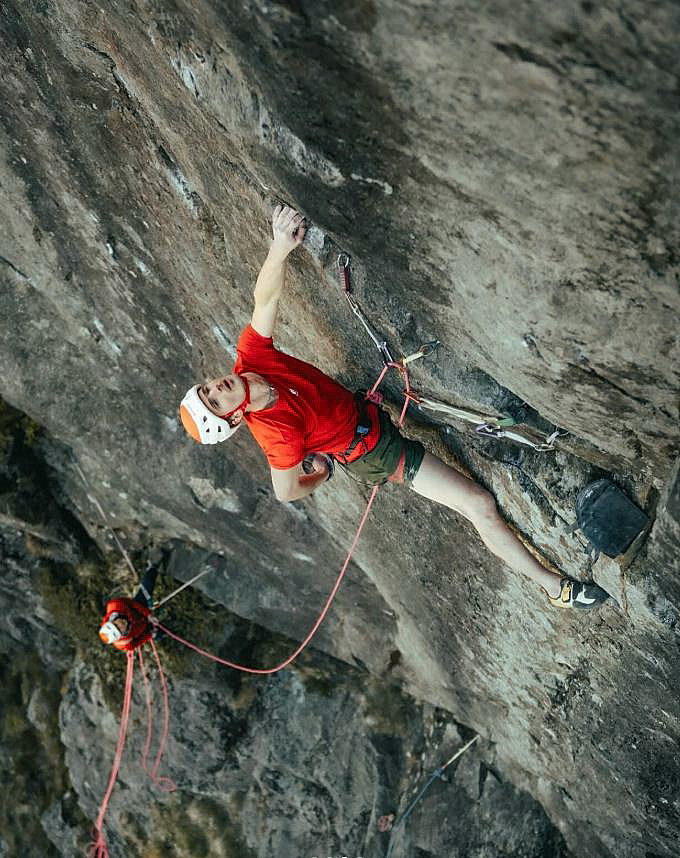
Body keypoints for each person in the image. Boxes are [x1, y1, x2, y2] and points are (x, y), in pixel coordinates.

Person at [179, 205, 610, 611]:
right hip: (376, 453)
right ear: (233, 418)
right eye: (216, 402)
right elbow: (284, 491)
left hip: (365, 411)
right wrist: (321, 475)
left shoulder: (251, 359)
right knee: (478, 504)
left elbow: (265, 300)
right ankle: (557, 590)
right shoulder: (277, 437)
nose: (216, 388)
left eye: (207, 389)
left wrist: (279, 247)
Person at [99, 564, 160, 650]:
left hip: (137, 608)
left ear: (112, 621)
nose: (120, 624)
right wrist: (150, 634)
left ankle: (153, 566)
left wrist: (148, 614)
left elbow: (131, 603)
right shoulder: (123, 643)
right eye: (119, 629)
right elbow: (136, 643)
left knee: (148, 583)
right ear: (121, 635)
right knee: (160, 634)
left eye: (116, 624)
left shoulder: (115, 606)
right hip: (144, 628)